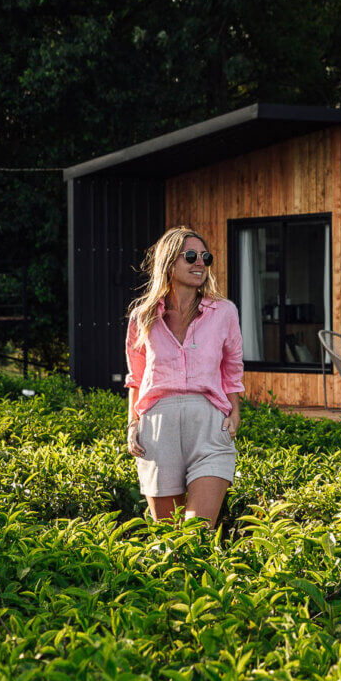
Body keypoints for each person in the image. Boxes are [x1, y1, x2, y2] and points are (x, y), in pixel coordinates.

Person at [124, 226, 244, 527]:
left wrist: (235, 413)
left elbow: (232, 369)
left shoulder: (225, 312)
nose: (200, 263)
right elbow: (136, 378)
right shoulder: (143, 316)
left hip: (208, 425)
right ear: (168, 262)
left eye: (206, 257)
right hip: (157, 428)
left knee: (197, 532)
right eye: (190, 256)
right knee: (170, 538)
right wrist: (132, 425)